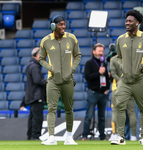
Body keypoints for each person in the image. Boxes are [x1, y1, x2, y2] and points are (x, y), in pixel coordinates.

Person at [110, 10, 143, 145]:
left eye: (130, 21)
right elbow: (118, 57)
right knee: (119, 107)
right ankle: (120, 137)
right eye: (126, 21)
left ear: (137, 23)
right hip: (124, 80)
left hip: (141, 80)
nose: (127, 23)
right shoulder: (121, 39)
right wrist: (121, 66)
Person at [39, 15, 81, 145]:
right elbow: (41, 58)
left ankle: (69, 137)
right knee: (51, 108)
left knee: (69, 109)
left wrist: (72, 70)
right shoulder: (45, 41)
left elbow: (78, 55)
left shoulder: (72, 38)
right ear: (53, 26)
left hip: (68, 80)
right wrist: (50, 68)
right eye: (60, 24)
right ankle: (51, 137)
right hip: (52, 80)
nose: (63, 27)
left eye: (64, 24)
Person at [82, 43, 110, 141]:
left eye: (102, 51)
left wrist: (107, 88)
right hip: (93, 92)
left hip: (103, 93)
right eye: (99, 51)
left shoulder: (104, 64)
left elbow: (106, 78)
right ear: (94, 52)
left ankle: (102, 137)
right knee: (89, 116)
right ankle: (84, 136)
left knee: (102, 117)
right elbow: (87, 77)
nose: (101, 53)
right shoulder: (89, 63)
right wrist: (98, 73)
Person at [108, 54, 137, 141]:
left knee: (116, 111)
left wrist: (120, 82)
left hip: (117, 88)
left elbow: (113, 73)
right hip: (129, 88)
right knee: (131, 113)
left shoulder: (113, 59)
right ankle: (133, 136)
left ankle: (115, 134)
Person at [24, 47, 46, 140]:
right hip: (37, 95)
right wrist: (48, 83)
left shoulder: (30, 65)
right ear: (36, 55)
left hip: (32, 95)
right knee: (38, 117)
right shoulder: (34, 66)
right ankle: (35, 136)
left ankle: (30, 136)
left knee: (32, 116)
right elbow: (37, 80)